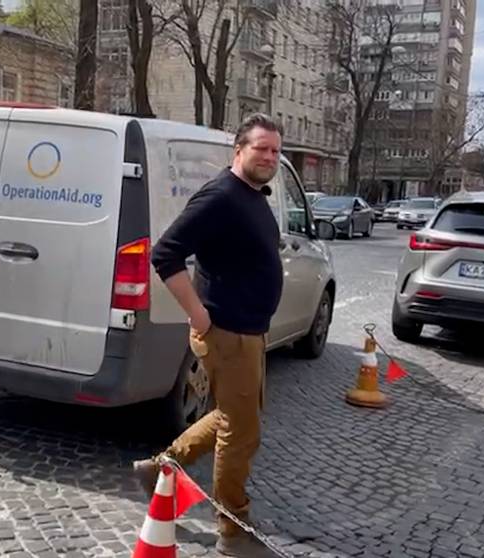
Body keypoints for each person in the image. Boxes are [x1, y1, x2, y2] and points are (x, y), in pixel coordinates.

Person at [133, 113, 284, 557]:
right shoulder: (220, 196)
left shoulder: (251, 195)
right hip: (228, 332)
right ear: (239, 150)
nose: (270, 157)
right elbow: (166, 254)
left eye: (276, 151)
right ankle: (232, 528)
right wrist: (199, 315)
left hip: (248, 330)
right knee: (242, 431)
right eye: (261, 148)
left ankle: (160, 468)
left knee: (233, 416)